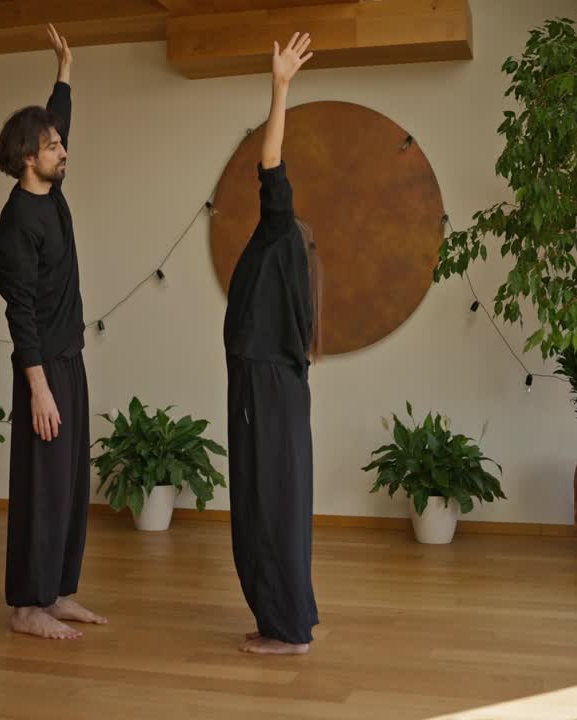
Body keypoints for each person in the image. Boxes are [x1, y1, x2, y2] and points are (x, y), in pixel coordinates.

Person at [0, 23, 106, 641]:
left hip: (70, 358)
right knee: (40, 487)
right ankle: (26, 606)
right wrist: (37, 388)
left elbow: (56, 116)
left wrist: (65, 69)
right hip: (41, 367)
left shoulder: (51, 191)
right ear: (28, 158)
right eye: (54, 145)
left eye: (61, 142)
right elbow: (20, 315)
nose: (64, 150)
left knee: (69, 484)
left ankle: (58, 591)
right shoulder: (17, 225)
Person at [223, 32, 321, 655]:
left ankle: (285, 629)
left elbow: (271, 168)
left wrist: (279, 88)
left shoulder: (279, 231)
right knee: (271, 502)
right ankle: (286, 620)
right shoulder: (291, 255)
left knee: (268, 505)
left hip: (262, 386)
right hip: (267, 389)